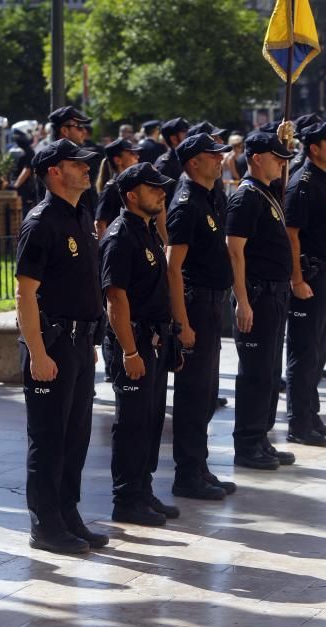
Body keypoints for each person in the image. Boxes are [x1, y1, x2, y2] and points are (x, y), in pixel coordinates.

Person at [15, 139, 108, 554]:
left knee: (76, 436)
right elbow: (24, 294)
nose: (87, 170)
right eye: (78, 164)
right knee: (49, 439)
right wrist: (37, 351)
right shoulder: (42, 222)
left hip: (78, 340)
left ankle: (68, 513)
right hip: (51, 344)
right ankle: (45, 524)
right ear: (54, 171)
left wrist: (90, 338)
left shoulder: (80, 213)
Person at [100, 162, 179, 527]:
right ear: (132, 196)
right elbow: (116, 298)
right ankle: (126, 499)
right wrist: (130, 351)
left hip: (151, 338)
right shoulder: (121, 235)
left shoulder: (147, 230)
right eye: (153, 188)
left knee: (149, 421)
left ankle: (143, 490)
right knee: (132, 423)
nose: (162, 192)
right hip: (131, 341)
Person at [165, 133, 235, 500]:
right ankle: (186, 474)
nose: (220, 160)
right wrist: (182, 323)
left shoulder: (211, 196)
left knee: (207, 393)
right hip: (194, 306)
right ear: (193, 162)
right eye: (213, 156)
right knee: (193, 394)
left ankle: (200, 465)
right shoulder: (186, 204)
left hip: (211, 304)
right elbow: (173, 267)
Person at [227, 130, 296, 470]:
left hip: (275, 293)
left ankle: (262, 438)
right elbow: (235, 252)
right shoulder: (246, 198)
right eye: (277, 157)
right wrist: (242, 299)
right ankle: (247, 442)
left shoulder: (267, 193)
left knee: (269, 371)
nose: (283, 163)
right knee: (254, 373)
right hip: (256, 293)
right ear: (257, 158)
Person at [283, 122, 326, 445]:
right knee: (304, 352)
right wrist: (296, 279)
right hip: (311, 277)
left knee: (319, 352)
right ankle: (298, 423)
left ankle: (311, 413)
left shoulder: (325, 180)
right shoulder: (303, 183)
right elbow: (292, 235)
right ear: (313, 149)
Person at [96, 137, 142, 237]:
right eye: (131, 153)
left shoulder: (132, 184)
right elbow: (100, 224)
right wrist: (105, 249)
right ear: (118, 160)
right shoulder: (112, 187)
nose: (137, 157)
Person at [155, 117, 190, 198]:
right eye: (186, 134)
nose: (190, 137)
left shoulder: (185, 157)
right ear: (174, 139)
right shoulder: (165, 165)